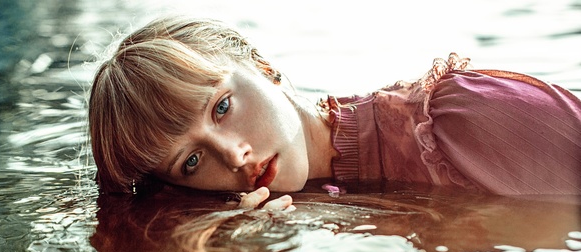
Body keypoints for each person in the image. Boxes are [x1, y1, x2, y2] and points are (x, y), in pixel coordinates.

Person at [88, 16, 581, 209]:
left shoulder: (462, 118)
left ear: (264, 67)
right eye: (190, 162)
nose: (235, 156)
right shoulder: (255, 213)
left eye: (221, 107)